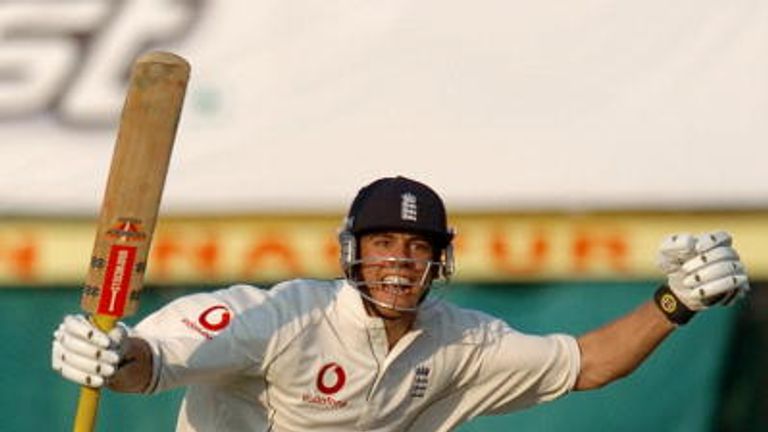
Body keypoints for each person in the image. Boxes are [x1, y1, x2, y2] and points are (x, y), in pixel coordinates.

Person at [52, 176, 751, 431]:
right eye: (381, 242)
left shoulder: (461, 340)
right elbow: (151, 364)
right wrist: (114, 354)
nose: (397, 261)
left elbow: (590, 363)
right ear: (350, 250)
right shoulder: (281, 316)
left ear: (438, 259)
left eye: (415, 247)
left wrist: (674, 301)